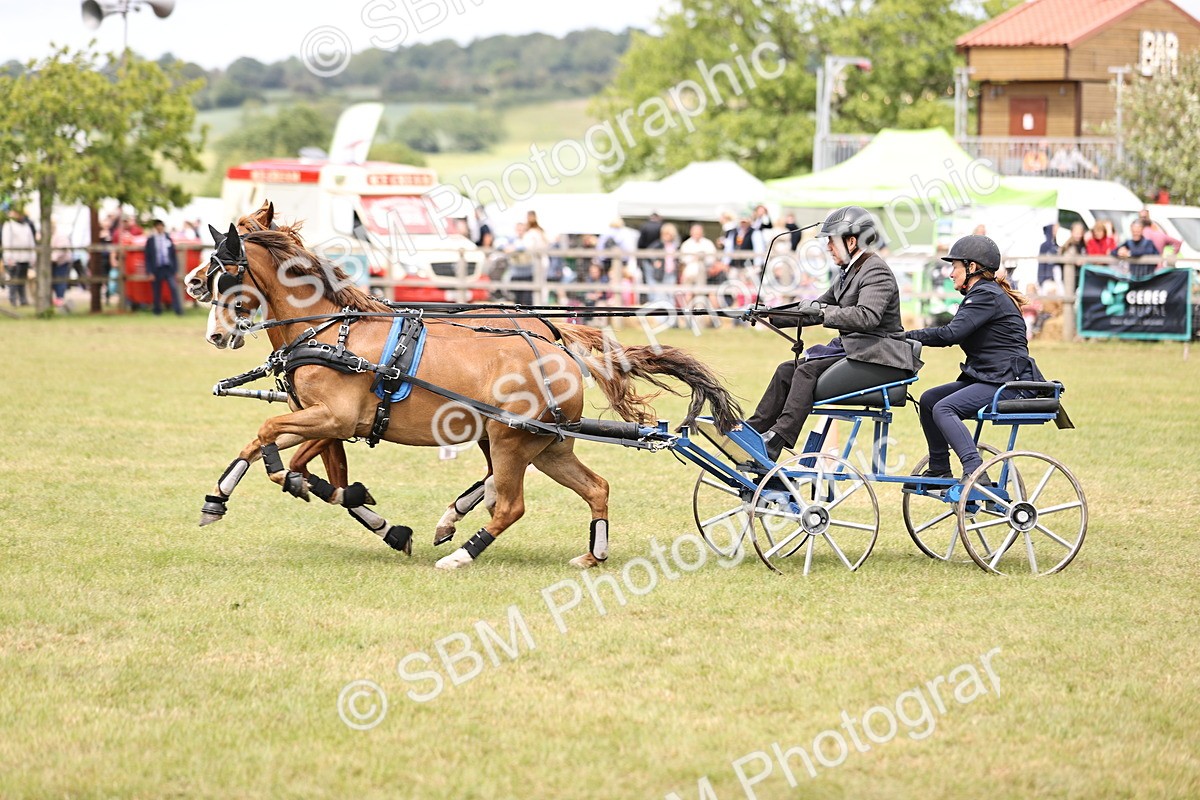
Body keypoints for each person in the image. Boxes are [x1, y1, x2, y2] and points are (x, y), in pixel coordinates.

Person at [747, 206, 919, 462]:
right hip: (856, 350)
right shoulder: (849, 272)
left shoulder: (876, 271)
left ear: (851, 241)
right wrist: (769, 314)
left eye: (832, 240)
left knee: (806, 370)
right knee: (786, 370)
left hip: (880, 356)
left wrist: (823, 312)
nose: (828, 246)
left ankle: (776, 439)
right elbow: (815, 308)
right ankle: (752, 431)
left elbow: (867, 316)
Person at [904, 235, 1040, 486]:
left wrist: (906, 336)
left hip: (1008, 381)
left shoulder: (985, 295)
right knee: (930, 400)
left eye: (955, 267)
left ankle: (975, 471)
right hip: (991, 376)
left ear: (972, 267)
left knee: (944, 408)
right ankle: (939, 468)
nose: (950, 273)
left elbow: (950, 334)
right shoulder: (982, 294)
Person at [144, 218, 183, 315]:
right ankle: (157, 310)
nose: (159, 228)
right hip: (156, 268)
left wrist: (176, 270)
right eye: (157, 226)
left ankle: (178, 310)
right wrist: (149, 272)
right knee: (156, 290)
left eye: (161, 226)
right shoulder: (151, 240)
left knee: (173, 288)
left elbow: (173, 255)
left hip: (168, 268)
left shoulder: (168, 239)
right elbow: (148, 257)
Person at [2, 207, 36, 307]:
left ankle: (23, 300)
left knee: (22, 280)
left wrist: (32, 257)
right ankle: (13, 299)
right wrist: (9, 258)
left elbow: (31, 242)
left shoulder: (26, 226)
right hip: (14, 258)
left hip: (25, 258)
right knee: (14, 280)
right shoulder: (9, 225)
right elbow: (6, 242)